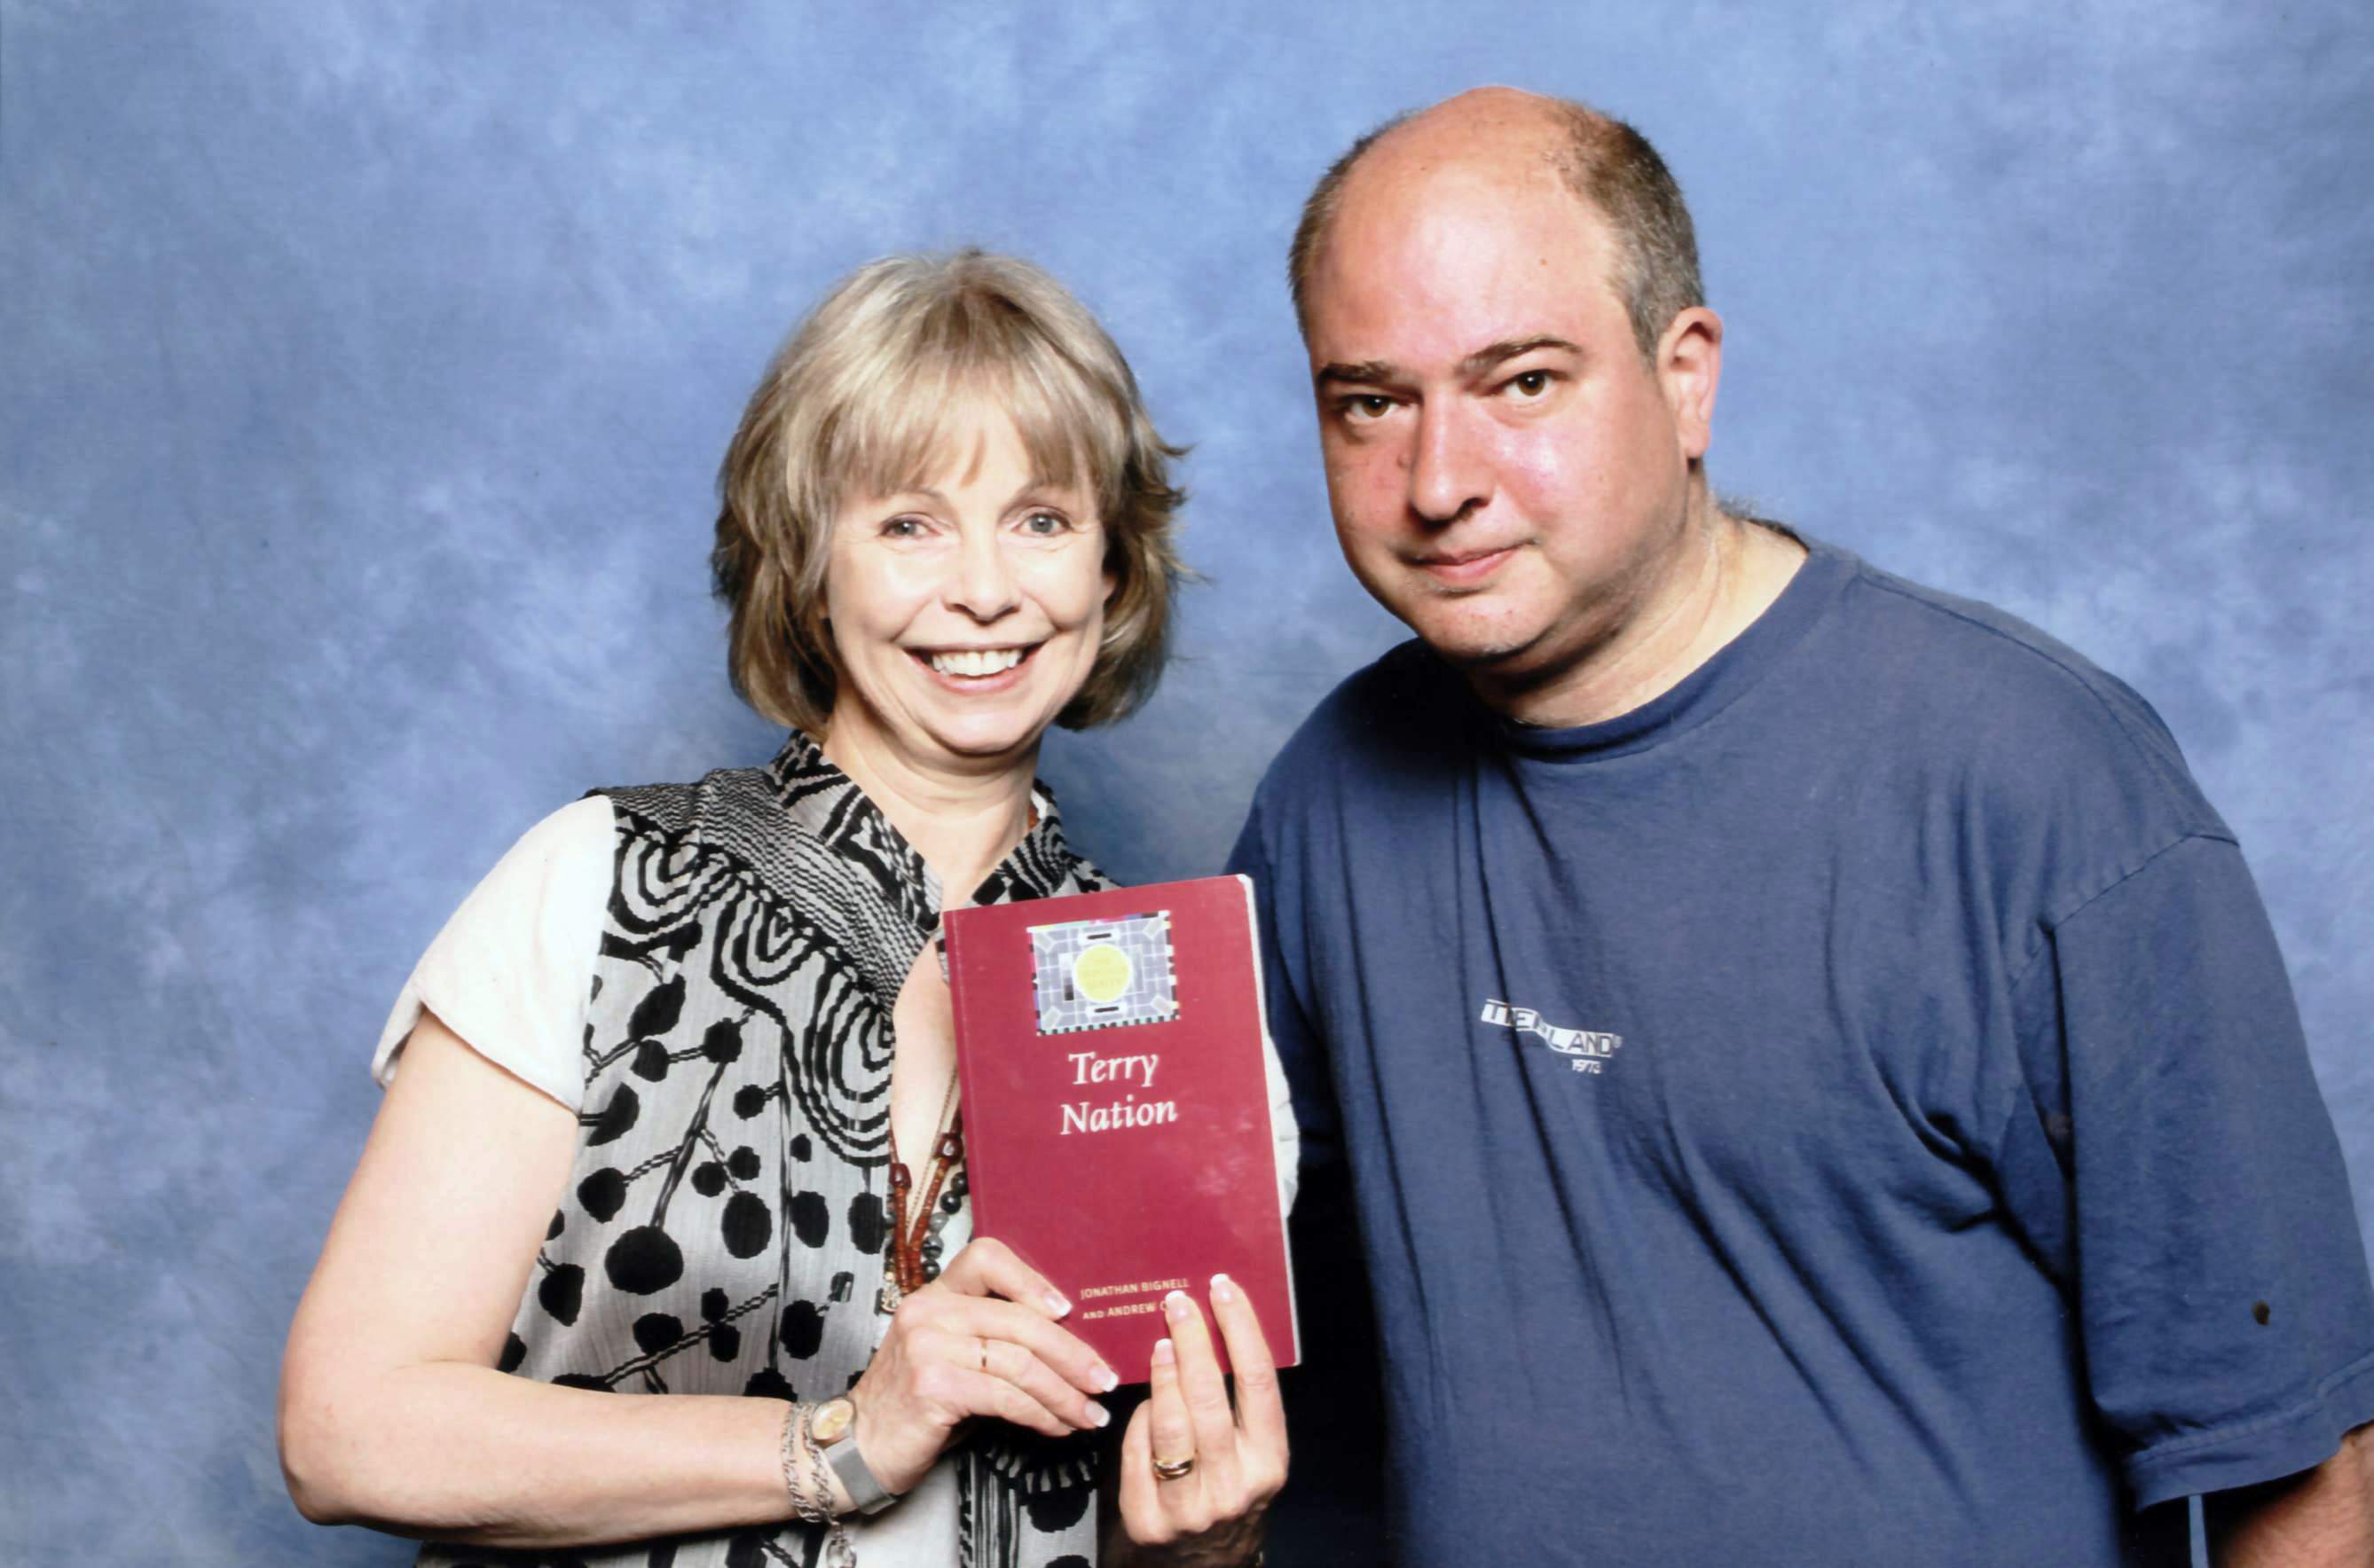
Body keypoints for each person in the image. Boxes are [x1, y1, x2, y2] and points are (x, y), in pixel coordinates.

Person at [1232, 86, 2374, 1564]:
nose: (1440, 483)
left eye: (1521, 383)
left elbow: (2297, 1456)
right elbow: (1239, 1332)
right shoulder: (1325, 806)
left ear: (1687, 377)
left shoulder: (2036, 787)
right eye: (1372, 405)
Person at [280, 249, 1293, 1568]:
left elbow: (1136, 1522)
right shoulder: (600, 885)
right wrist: (841, 1444)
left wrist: (1202, 1547)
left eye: (1042, 519)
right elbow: (347, 1431)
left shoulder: (1189, 1019)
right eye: (911, 523)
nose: (986, 589)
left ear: (1113, 571)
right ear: (808, 564)